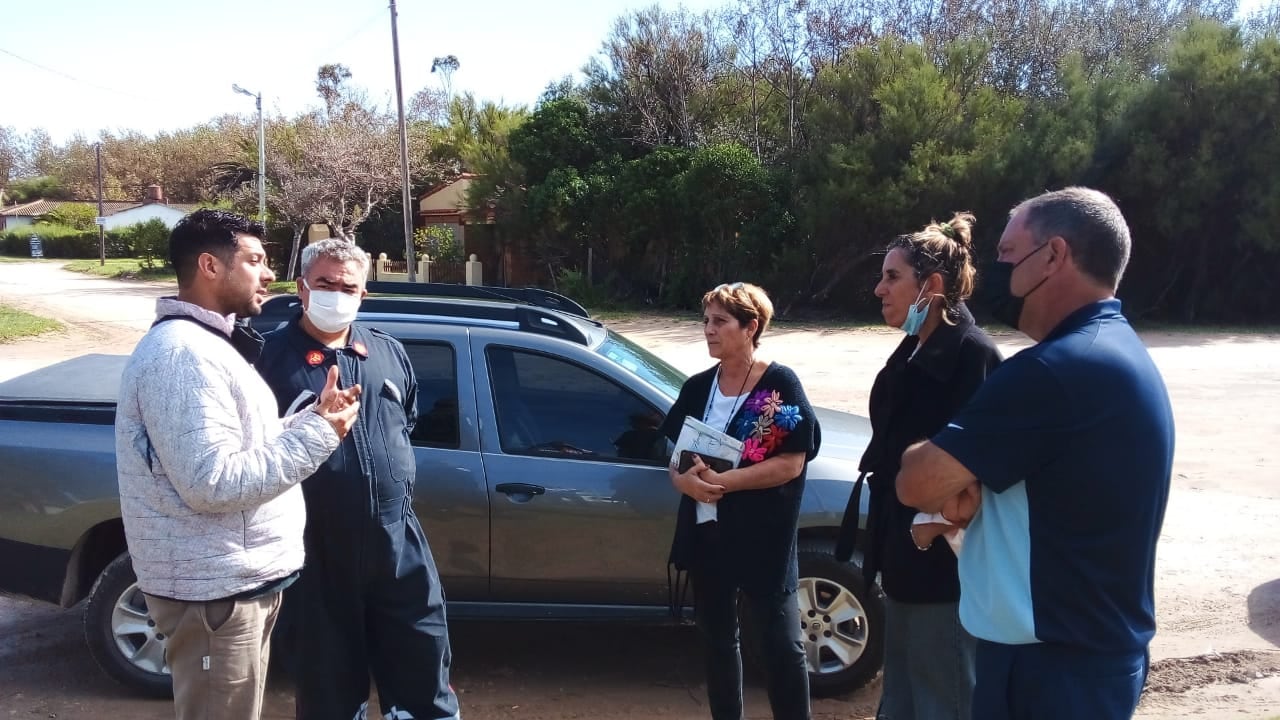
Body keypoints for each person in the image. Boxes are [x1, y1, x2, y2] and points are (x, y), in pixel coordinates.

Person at [896, 187, 1175, 720]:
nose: (994, 271)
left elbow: (916, 482)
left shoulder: (1053, 370)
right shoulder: (1113, 349)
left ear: (1053, 256)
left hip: (1048, 671)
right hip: (1089, 655)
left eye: (1005, 254)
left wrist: (953, 478)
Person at [115, 209, 360, 720]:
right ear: (209, 265)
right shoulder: (183, 355)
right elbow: (213, 483)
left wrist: (305, 423)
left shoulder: (208, 345)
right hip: (215, 593)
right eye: (254, 260)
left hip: (231, 583)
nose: (268, 274)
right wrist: (320, 435)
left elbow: (235, 451)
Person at [256, 238, 462, 720]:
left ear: (363, 295)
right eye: (324, 283)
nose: (335, 293)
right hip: (315, 549)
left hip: (397, 542)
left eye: (347, 286)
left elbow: (404, 423)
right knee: (328, 688)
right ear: (302, 289)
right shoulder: (266, 360)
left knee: (423, 672)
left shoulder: (387, 353)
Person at [835, 214, 1001, 720]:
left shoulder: (972, 356)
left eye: (892, 277)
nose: (879, 288)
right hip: (903, 561)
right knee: (902, 701)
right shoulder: (913, 348)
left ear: (930, 285)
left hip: (945, 572)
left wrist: (930, 529)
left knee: (943, 701)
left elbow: (982, 471)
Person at [660, 282, 820, 720]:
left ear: (751, 327)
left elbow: (791, 464)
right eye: (706, 321)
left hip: (763, 539)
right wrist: (684, 484)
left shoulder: (778, 385)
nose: (709, 330)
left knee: (780, 646)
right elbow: (673, 456)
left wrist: (728, 483)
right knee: (717, 641)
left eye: (720, 321)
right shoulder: (697, 388)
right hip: (708, 535)